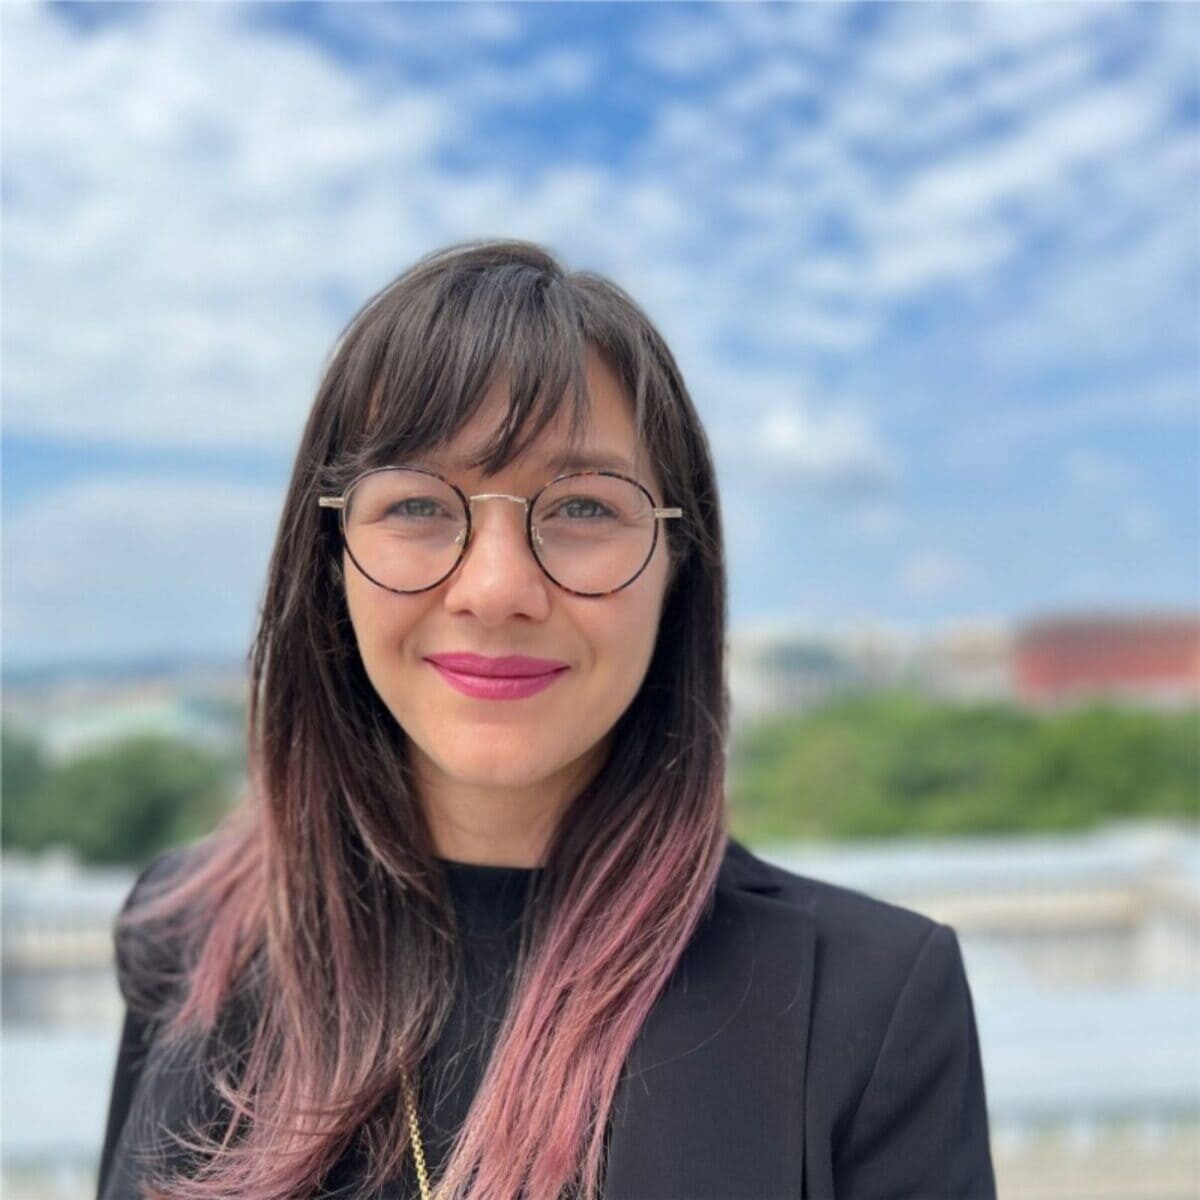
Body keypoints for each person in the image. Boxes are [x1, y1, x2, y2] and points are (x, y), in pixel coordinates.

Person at [96, 239, 997, 1200]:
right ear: (331, 558)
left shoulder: (868, 1003)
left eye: (579, 506)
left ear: (673, 563)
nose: (495, 589)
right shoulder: (188, 931)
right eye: (415, 504)